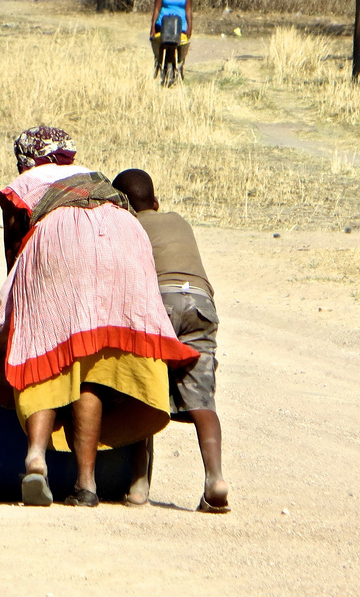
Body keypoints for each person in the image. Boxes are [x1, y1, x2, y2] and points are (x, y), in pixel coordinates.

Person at [0, 127, 199, 507]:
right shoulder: (92, 176)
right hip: (123, 236)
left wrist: (17, 305)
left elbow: (14, 249)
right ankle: (87, 484)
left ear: (26, 160)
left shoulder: (24, 183)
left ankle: (36, 457)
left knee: (43, 354)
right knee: (92, 369)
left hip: (59, 238)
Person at [112, 168, 230, 513]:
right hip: (200, 301)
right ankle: (215, 478)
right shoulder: (178, 220)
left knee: (145, 391)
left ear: (122, 207)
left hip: (159, 301)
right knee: (202, 398)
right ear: (156, 201)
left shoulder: (128, 226)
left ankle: (138, 487)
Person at [150, 0, 193, 75]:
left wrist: (189, 27)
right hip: (163, 24)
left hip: (179, 26)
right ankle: (159, 63)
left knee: (179, 45)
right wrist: (153, 27)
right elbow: (156, 9)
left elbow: (188, 10)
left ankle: (178, 65)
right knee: (160, 44)